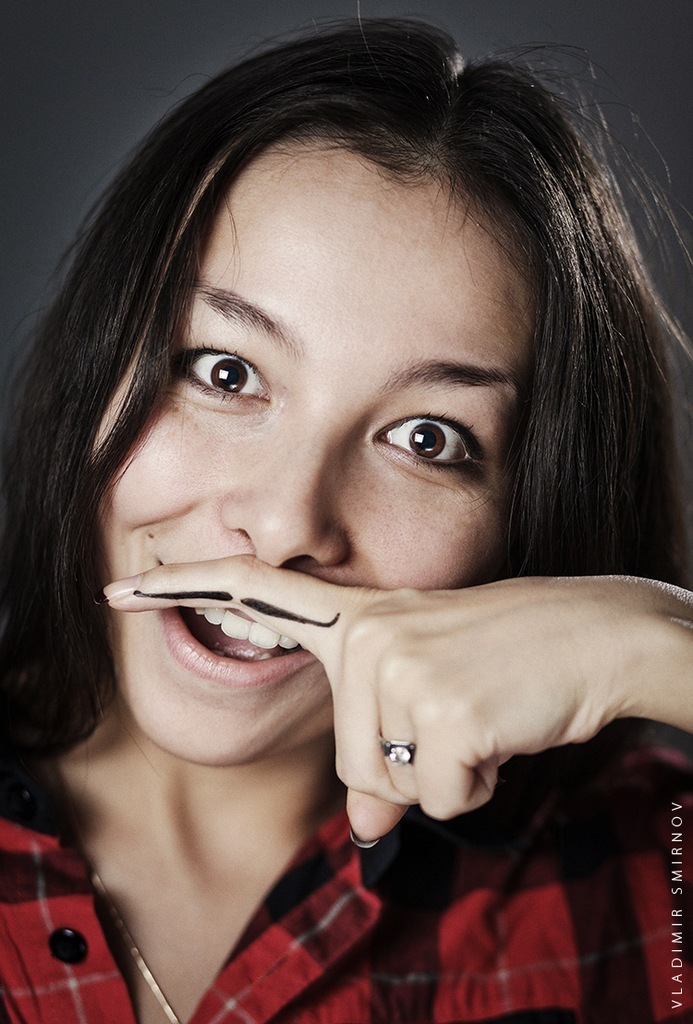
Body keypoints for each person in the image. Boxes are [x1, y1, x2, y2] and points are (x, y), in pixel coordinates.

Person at [0, 18, 691, 1024]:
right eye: (224, 373)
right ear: (100, 363)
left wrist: (660, 645)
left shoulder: (648, 870)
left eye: (425, 439)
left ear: (529, 510)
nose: (286, 523)